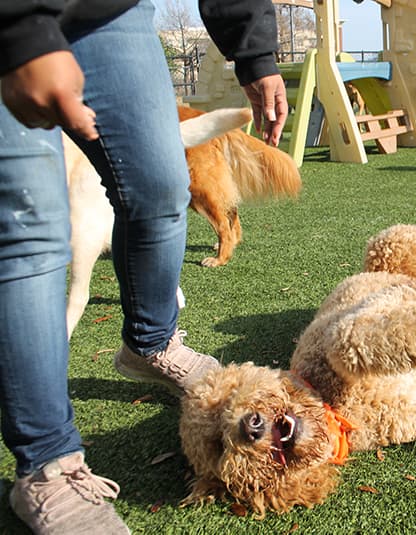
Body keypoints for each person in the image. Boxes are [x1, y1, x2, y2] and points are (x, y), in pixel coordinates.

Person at [0, 1, 288, 533]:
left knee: (160, 186)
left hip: (111, 14)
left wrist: (255, 52)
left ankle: (151, 345)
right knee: (27, 225)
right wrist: (22, 29)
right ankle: (47, 463)